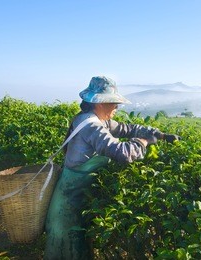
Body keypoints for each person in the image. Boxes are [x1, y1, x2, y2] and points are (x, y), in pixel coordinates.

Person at [44, 76, 181, 259]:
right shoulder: (91, 125)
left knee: (79, 243)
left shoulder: (97, 119)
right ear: (100, 103)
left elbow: (126, 129)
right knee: (70, 246)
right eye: (113, 103)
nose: (117, 108)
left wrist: (159, 134)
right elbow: (121, 152)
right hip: (69, 203)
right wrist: (143, 142)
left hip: (77, 196)